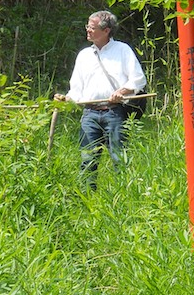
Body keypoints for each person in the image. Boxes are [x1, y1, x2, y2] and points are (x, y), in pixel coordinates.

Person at [54, 10, 147, 190]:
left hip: (115, 112)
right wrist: (66, 98)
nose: (88, 30)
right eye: (87, 26)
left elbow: (138, 79)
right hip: (89, 114)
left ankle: (124, 197)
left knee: (120, 158)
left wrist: (122, 91)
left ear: (106, 31)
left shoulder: (122, 50)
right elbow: (77, 89)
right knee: (87, 160)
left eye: (92, 27)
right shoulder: (84, 55)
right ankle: (87, 198)